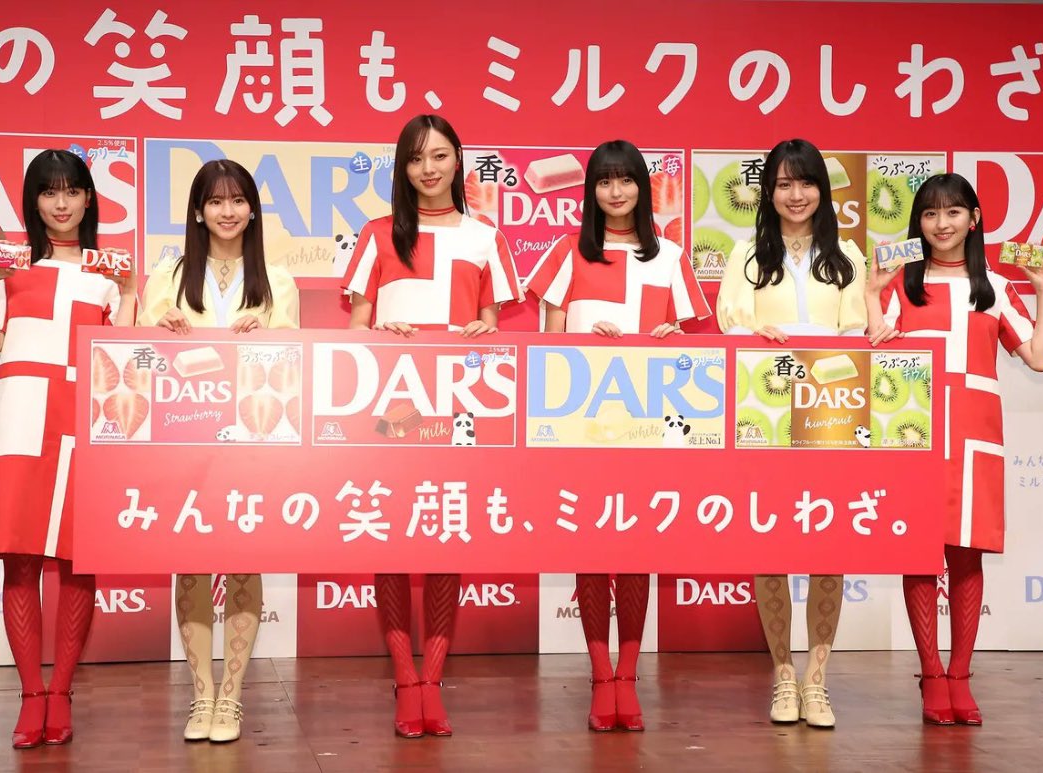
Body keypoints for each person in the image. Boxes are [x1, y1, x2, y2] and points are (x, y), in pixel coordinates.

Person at [342, 114, 523, 737]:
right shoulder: (378, 234)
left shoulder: (484, 235)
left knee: (447, 534)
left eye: (440, 155)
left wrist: (484, 330)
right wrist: (377, 333)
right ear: (402, 167)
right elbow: (355, 327)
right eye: (416, 158)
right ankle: (404, 680)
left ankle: (432, 684)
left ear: (458, 161)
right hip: (392, 405)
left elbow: (492, 324)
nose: (429, 168)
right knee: (391, 540)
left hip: (460, 406)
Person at [0, 149, 137, 748]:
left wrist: (129, 291)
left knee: (78, 559)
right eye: (49, 192)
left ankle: (62, 693)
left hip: (84, 418)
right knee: (20, 558)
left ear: (89, 199)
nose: (61, 203)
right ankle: (32, 694)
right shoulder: (11, 265)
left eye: (72, 191)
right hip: (20, 417)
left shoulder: (108, 270)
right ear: (33, 201)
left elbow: (125, 357)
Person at [526, 139, 711, 732]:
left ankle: (627, 678)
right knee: (591, 548)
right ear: (591, 190)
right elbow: (547, 348)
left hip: (649, 431)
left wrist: (671, 339)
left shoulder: (671, 257)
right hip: (582, 429)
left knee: (635, 550)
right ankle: (600, 673)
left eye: (625, 179)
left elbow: (693, 359)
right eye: (604, 180)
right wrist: (583, 346)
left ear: (642, 187)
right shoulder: (567, 252)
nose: (615, 191)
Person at [864, 173, 1043, 726]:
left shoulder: (993, 286)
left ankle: (961, 675)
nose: (941, 224)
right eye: (929, 214)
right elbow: (874, 353)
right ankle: (931, 674)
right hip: (916, 437)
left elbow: (1038, 358)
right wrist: (872, 296)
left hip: (975, 436)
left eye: (952, 212)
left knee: (967, 555)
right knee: (920, 555)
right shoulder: (902, 285)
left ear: (974, 219)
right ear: (917, 223)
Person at [138, 159, 300, 742]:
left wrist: (269, 337)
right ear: (198, 211)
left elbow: (294, 363)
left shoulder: (277, 280)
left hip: (253, 443)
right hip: (185, 441)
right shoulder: (169, 274)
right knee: (191, 560)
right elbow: (139, 356)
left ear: (253, 210)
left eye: (237, 201)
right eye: (215, 201)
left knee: (243, 560)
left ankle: (230, 698)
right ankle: (200, 695)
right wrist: (161, 329)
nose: (227, 212)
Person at [715, 138, 868, 728]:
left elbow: (857, 334)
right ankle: (783, 676)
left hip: (833, 418)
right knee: (771, 546)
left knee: (829, 548)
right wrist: (759, 339)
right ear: (769, 193)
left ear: (823, 191)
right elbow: (730, 328)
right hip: (768, 419)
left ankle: (817, 681)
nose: (796, 195)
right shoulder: (747, 254)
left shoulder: (847, 255)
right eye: (783, 184)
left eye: (806, 183)